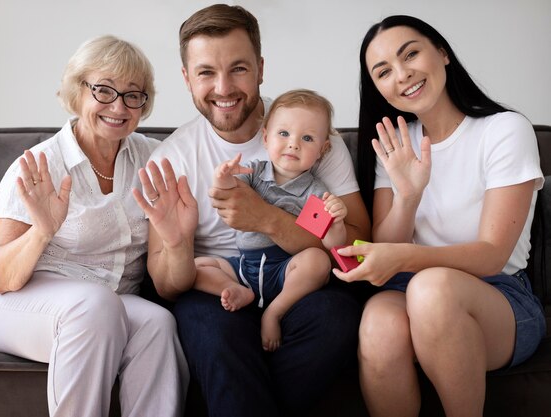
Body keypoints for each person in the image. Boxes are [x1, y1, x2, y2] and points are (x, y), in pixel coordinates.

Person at [132, 4, 371, 417]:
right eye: (206, 72)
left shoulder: (305, 130)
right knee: (214, 335)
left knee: (336, 316)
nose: (224, 87)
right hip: (219, 287)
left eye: (238, 68)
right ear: (187, 78)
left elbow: (359, 246)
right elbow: (167, 285)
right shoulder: (175, 156)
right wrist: (175, 243)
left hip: (294, 277)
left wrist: (265, 218)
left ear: (260, 68)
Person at [0, 35, 189, 417]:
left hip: (106, 301)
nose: (118, 106)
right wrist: (42, 231)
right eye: (103, 91)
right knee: (95, 306)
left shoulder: (154, 158)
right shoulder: (40, 166)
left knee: (157, 322)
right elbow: (0, 277)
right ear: (77, 91)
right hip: (12, 303)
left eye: (133, 95)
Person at [335, 15, 546, 417]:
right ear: (377, 88)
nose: (402, 75)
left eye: (410, 54)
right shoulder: (393, 143)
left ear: (443, 53)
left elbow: (492, 254)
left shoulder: (504, 130)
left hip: (500, 296)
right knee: (379, 322)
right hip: (409, 288)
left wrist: (405, 260)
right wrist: (409, 195)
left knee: (430, 290)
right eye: (383, 72)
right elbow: (385, 245)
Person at [193, 89, 350, 352]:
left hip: (286, 269)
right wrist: (223, 177)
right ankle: (235, 289)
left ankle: (275, 312)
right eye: (284, 133)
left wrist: (336, 223)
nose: (293, 144)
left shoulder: (315, 192)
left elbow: (331, 246)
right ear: (265, 138)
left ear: (322, 150)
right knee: (196, 267)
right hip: (244, 267)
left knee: (317, 261)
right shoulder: (254, 173)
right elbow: (226, 196)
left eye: (308, 138)